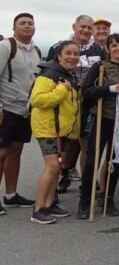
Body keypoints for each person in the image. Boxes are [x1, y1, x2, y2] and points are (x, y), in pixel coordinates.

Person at [79, 33, 119, 218]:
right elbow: (86, 91)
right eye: (114, 46)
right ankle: (85, 201)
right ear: (108, 48)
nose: (118, 48)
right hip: (100, 118)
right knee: (93, 160)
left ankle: (108, 199)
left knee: (113, 161)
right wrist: (110, 89)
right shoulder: (99, 67)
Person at [48, 15, 105, 190]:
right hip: (64, 102)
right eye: (83, 27)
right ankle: (62, 176)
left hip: (88, 104)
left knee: (85, 144)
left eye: (89, 27)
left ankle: (87, 182)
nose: (86, 30)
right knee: (65, 145)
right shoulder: (58, 47)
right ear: (74, 26)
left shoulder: (99, 50)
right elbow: (49, 72)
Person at [28, 41, 81, 224]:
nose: (72, 57)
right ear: (59, 55)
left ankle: (49, 204)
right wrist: (61, 89)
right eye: (68, 53)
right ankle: (38, 209)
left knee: (57, 167)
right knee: (52, 166)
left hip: (61, 129)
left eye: (76, 54)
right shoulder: (49, 74)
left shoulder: (68, 75)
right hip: (48, 128)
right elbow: (37, 100)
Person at [0, 12, 39, 210]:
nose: (27, 26)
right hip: (6, 107)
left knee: (16, 151)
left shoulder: (36, 51)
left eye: (30, 23)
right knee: (1, 153)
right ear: (14, 27)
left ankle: (11, 195)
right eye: (22, 23)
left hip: (25, 110)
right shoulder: (6, 46)